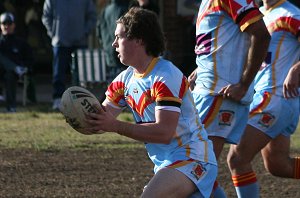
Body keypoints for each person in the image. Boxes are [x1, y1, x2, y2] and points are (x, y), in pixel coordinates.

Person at [84, 7, 217, 197]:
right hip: (167, 163)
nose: (113, 43)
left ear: (138, 40)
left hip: (193, 159)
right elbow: (103, 120)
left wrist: (115, 126)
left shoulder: (165, 76)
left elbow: (164, 132)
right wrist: (80, 117)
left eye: (119, 37)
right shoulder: (124, 80)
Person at [188, 0, 270, 196]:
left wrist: (243, 84)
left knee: (194, 172)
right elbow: (221, 42)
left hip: (217, 95)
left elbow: (261, 35)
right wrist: (200, 70)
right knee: (196, 171)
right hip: (208, 92)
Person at [227, 0, 300, 197]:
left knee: (237, 158)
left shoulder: (290, 14)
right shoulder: (255, 14)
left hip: (275, 98)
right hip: (272, 99)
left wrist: (296, 68)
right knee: (278, 165)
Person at [42, 0, 97, 110]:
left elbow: (92, 17)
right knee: (59, 72)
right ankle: (58, 99)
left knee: (81, 75)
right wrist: (53, 33)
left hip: (80, 42)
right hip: (60, 43)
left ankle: (81, 101)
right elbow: (46, 17)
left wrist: (84, 32)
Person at [0, 12, 33, 112]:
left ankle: (11, 107)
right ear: (0, 25)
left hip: (15, 74)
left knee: (10, 75)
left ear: (14, 25)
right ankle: (14, 67)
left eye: (9, 23)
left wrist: (26, 67)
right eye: (4, 23)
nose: (6, 26)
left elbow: (30, 59)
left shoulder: (21, 43)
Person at [97, 0, 129, 82]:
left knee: (112, 86)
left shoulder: (105, 10)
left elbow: (98, 32)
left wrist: (105, 44)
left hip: (108, 53)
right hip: (122, 55)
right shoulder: (125, 9)